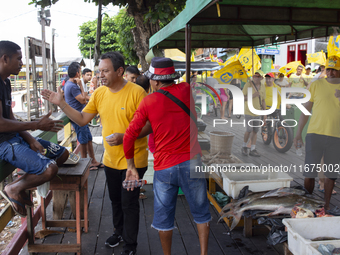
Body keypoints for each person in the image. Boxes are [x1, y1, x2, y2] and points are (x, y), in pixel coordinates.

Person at [41, 51, 151, 255]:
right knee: (115, 200)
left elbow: (150, 125)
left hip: (133, 162)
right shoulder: (100, 94)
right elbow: (82, 119)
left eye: (105, 71)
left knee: (129, 204)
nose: (101, 75)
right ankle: (119, 232)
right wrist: (62, 104)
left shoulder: (137, 92)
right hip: (109, 159)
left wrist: (126, 136)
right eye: (99, 71)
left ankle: (130, 245)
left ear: (119, 71)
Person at [123, 57, 211, 255]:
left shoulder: (148, 101)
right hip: (192, 162)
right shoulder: (187, 90)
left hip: (164, 167)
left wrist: (131, 165)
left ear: (154, 81)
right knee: (201, 212)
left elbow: (129, 135)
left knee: (164, 218)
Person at [0, 40, 69, 217]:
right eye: (18, 59)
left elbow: (10, 118)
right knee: (49, 169)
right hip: (3, 144)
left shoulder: (5, 82)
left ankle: (22, 184)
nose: (21, 63)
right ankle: (13, 188)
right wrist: (36, 125)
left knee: (62, 154)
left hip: (16, 137)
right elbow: (1, 124)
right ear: (4, 58)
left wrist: (31, 138)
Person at [294, 55, 340, 214]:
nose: (331, 73)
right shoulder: (316, 85)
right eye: (329, 69)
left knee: (331, 174)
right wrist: (298, 133)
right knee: (309, 172)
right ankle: (307, 203)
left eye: (335, 70)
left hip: (336, 137)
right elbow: (305, 110)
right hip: (315, 134)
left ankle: (326, 205)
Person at [63, 62, 103, 170]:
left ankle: (93, 161)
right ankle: (86, 164)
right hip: (77, 116)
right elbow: (83, 99)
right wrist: (80, 85)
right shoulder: (73, 85)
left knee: (88, 138)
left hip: (79, 115)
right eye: (80, 71)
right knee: (84, 140)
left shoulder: (69, 84)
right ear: (77, 73)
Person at [241, 71, 266, 157]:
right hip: (248, 111)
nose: (255, 77)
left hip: (258, 112)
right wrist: (253, 95)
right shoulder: (248, 85)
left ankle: (253, 148)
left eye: (258, 76)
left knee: (255, 131)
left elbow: (263, 100)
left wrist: (265, 112)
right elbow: (242, 98)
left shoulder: (263, 86)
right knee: (249, 129)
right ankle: (244, 146)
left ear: (261, 78)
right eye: (254, 76)